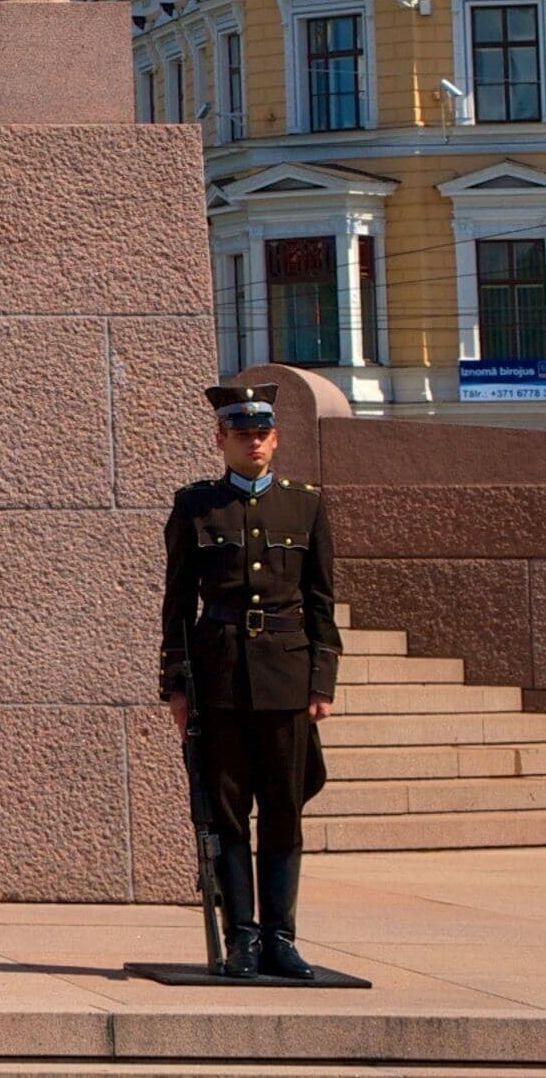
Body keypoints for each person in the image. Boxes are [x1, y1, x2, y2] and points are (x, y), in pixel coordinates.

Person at [161, 379, 340, 983]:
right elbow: (178, 604)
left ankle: (280, 939)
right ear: (221, 441)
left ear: (276, 439)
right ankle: (241, 936)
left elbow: (321, 602)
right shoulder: (195, 507)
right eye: (242, 435)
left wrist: (323, 682)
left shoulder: (306, 505)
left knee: (285, 812)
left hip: (287, 675)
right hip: (221, 676)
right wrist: (178, 687)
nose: (254, 444)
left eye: (262, 434)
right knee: (230, 811)